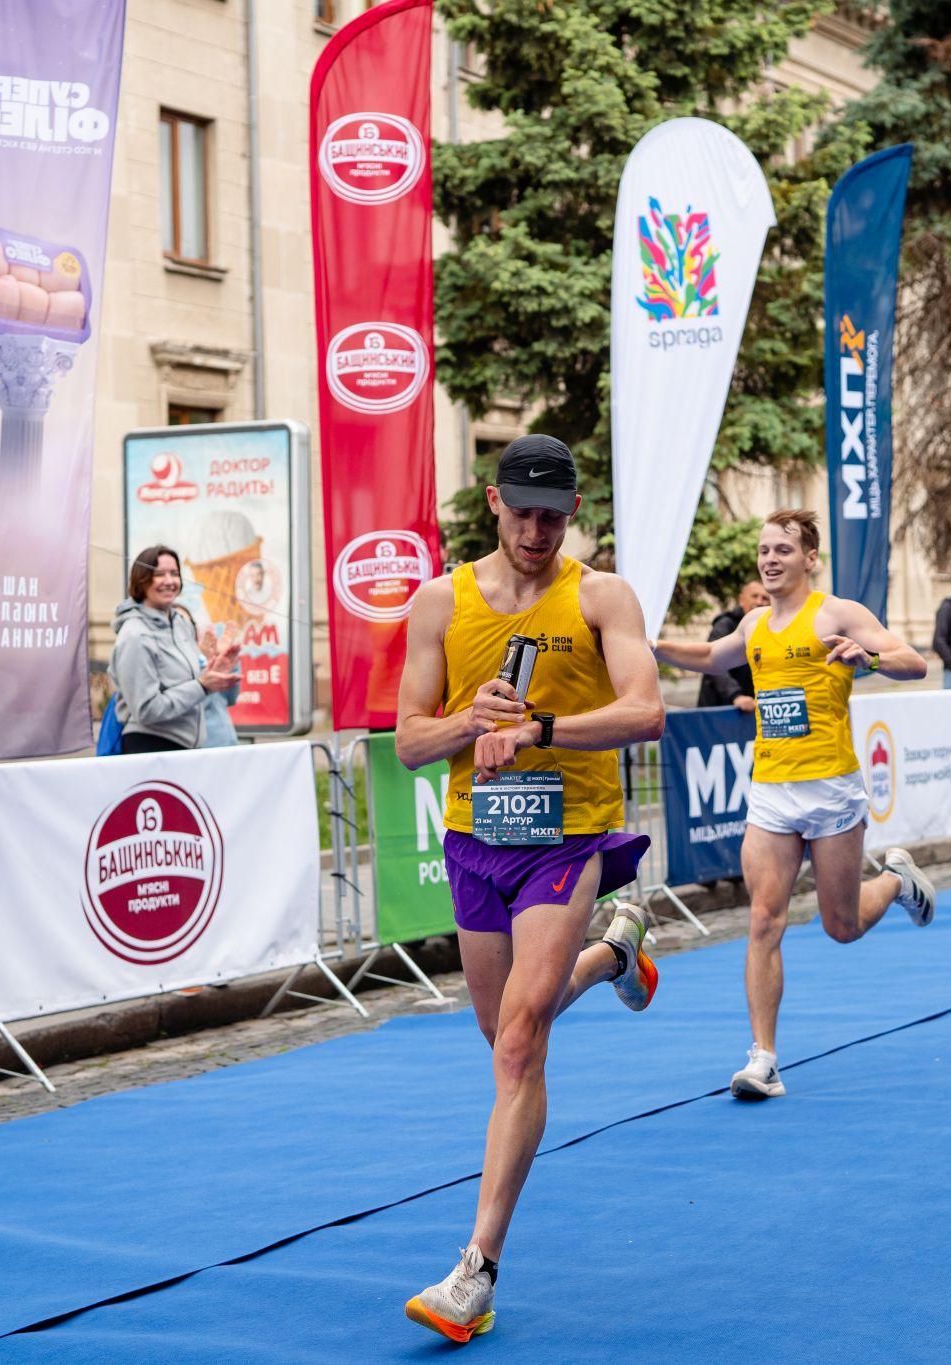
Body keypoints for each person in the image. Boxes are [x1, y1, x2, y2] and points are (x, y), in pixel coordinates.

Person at [394, 433, 665, 1343]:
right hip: (478, 843)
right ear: (493, 502)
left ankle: (476, 1271)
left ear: (573, 513)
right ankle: (616, 950)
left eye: (555, 517)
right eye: (524, 514)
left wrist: (541, 728)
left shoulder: (600, 594)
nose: (538, 532)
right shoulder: (442, 601)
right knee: (509, 1030)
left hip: (568, 834)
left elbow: (646, 710)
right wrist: (470, 720)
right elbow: (407, 739)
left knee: (517, 1045)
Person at [653, 509, 937, 1101]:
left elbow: (916, 662)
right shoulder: (755, 624)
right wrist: (648, 645)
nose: (770, 558)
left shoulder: (838, 613)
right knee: (763, 920)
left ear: (810, 558)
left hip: (832, 789)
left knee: (842, 926)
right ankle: (763, 1059)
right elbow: (711, 658)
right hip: (772, 793)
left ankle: (896, 881)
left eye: (783, 549)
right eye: (763, 550)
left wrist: (870, 660)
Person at [109, 545, 242, 754]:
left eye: (174, 574)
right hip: (150, 749)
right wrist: (202, 685)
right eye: (159, 574)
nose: (169, 581)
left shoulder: (180, 624)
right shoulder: (135, 635)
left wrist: (215, 666)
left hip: (186, 749)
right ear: (141, 580)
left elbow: (188, 685)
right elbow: (146, 710)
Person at [694, 580, 767, 711]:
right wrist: (736, 696)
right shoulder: (725, 624)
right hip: (719, 710)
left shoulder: (768, 629)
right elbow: (713, 663)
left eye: (765, 598)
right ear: (741, 600)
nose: (759, 602)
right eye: (754, 596)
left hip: (751, 709)